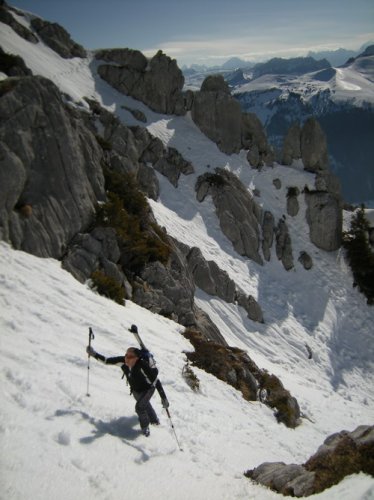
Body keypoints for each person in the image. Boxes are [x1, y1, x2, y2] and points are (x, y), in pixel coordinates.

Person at [86, 344, 160, 437]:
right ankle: (154, 420)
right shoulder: (123, 361)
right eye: (126, 355)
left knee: (139, 407)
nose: (127, 358)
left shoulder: (141, 364)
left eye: (130, 356)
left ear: (136, 358)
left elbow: (156, 381)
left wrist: (163, 398)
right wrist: (94, 354)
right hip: (135, 389)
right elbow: (106, 360)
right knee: (144, 404)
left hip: (148, 389)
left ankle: (145, 427)